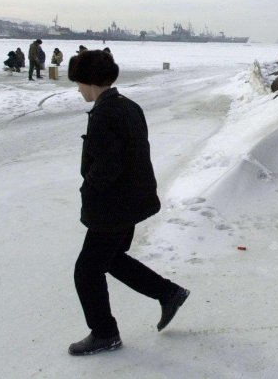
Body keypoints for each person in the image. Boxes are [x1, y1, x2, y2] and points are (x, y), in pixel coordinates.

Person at [67, 50, 189, 356]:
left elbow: (108, 166)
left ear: (90, 81)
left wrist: (89, 188)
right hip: (132, 200)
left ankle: (104, 333)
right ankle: (168, 293)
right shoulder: (128, 106)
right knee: (110, 259)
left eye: (78, 83)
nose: (78, 89)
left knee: (86, 270)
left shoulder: (106, 113)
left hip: (113, 206)